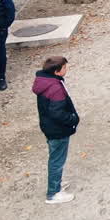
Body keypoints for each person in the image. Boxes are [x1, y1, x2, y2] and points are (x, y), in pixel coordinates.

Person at [32, 56, 79, 204]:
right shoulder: (55, 88)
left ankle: (56, 183)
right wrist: (73, 119)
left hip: (49, 127)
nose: (67, 69)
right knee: (57, 161)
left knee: (56, 158)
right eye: (65, 68)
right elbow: (57, 112)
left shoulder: (45, 82)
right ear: (57, 71)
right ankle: (53, 193)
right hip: (57, 130)